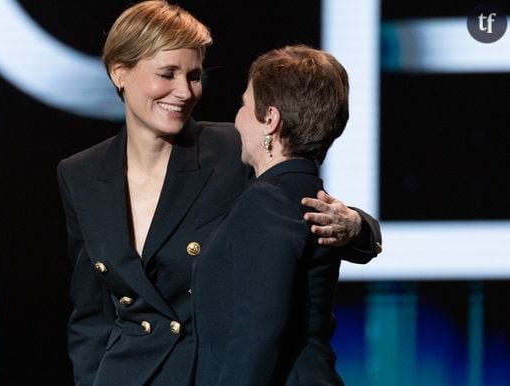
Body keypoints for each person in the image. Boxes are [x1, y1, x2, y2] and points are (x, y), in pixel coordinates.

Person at [56, 1, 381, 385]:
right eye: (168, 73)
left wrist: (356, 225)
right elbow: (91, 315)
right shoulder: (80, 174)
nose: (184, 91)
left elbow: (303, 205)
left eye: (194, 75)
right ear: (120, 72)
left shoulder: (236, 149)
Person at [192, 45, 354, 385]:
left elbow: (258, 329)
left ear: (270, 119)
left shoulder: (267, 201)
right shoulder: (304, 192)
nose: (236, 118)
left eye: (244, 105)